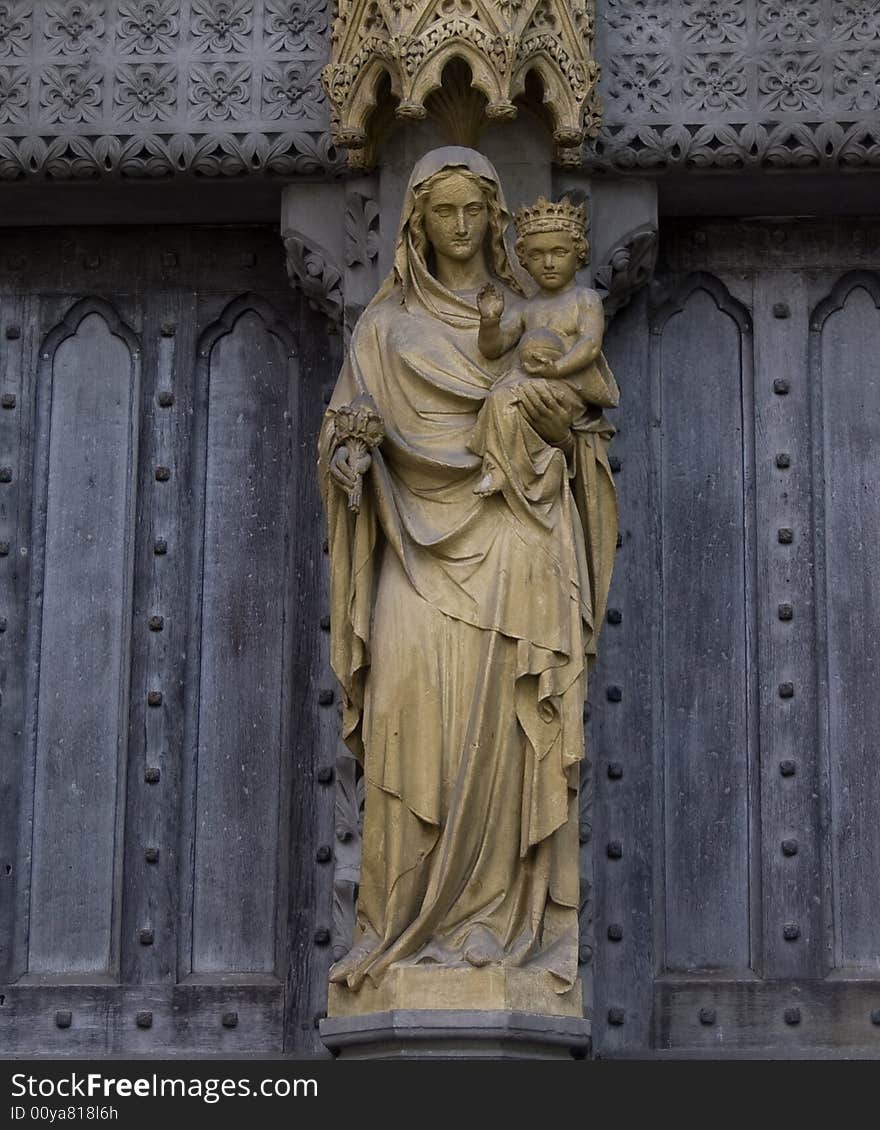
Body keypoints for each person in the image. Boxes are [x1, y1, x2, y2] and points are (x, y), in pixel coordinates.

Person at [318, 147, 618, 1012]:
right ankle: (404, 932)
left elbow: (587, 435)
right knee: (412, 728)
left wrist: (564, 431)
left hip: (515, 550)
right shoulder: (382, 333)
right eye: (442, 212)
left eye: (473, 212)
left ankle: (502, 933)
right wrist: (346, 455)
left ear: (496, 219)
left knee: (509, 743)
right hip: (414, 553)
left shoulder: (534, 319)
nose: (459, 229)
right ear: (416, 222)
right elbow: (345, 425)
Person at [470, 195, 618, 503]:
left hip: (569, 388)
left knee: (518, 401)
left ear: (579, 254)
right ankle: (499, 466)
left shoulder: (585, 299)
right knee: (499, 401)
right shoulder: (529, 308)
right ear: (524, 259)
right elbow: (493, 348)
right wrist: (490, 320)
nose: (548, 263)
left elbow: (590, 345)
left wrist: (557, 368)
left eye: (559, 252)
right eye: (537, 255)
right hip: (530, 382)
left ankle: (537, 463)